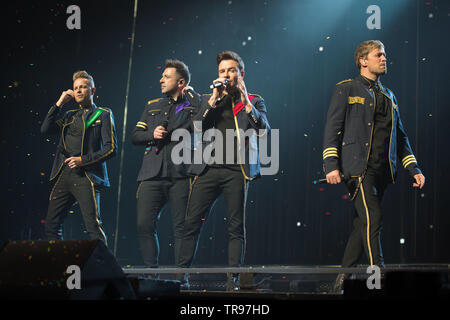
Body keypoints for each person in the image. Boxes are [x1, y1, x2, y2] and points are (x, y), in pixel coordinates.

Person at [322, 40, 426, 292]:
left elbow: (400, 137)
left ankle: (340, 282)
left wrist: (414, 168)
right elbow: (332, 127)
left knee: (363, 225)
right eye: (379, 54)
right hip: (358, 168)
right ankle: (377, 281)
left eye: (384, 55)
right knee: (374, 218)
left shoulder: (389, 96)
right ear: (363, 60)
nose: (384, 58)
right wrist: (330, 165)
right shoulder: (346, 88)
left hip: (384, 171)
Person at [177, 51, 270, 290]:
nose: (226, 75)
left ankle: (233, 280)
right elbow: (196, 127)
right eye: (222, 71)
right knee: (191, 223)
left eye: (231, 70)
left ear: (241, 74)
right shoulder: (210, 98)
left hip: (236, 171)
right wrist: (212, 101)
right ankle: (180, 277)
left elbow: (263, 129)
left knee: (235, 226)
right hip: (207, 169)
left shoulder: (254, 99)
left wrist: (246, 101)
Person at [132, 59, 201, 268]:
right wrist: (151, 135)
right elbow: (135, 136)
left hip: (181, 174)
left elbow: (202, 118)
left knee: (182, 228)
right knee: (144, 224)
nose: (161, 80)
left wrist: (191, 94)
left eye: (166, 77)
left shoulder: (193, 105)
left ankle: (182, 278)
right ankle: (151, 273)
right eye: (162, 76)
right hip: (152, 174)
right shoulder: (152, 105)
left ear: (181, 82)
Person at [41, 70, 117, 244]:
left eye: (83, 87)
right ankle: (60, 264)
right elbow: (45, 129)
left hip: (87, 176)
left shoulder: (103, 114)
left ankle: (104, 268)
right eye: (76, 88)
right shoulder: (69, 116)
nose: (79, 91)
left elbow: (111, 149)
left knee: (93, 226)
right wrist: (59, 103)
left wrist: (83, 160)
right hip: (65, 175)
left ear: (93, 90)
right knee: (51, 225)